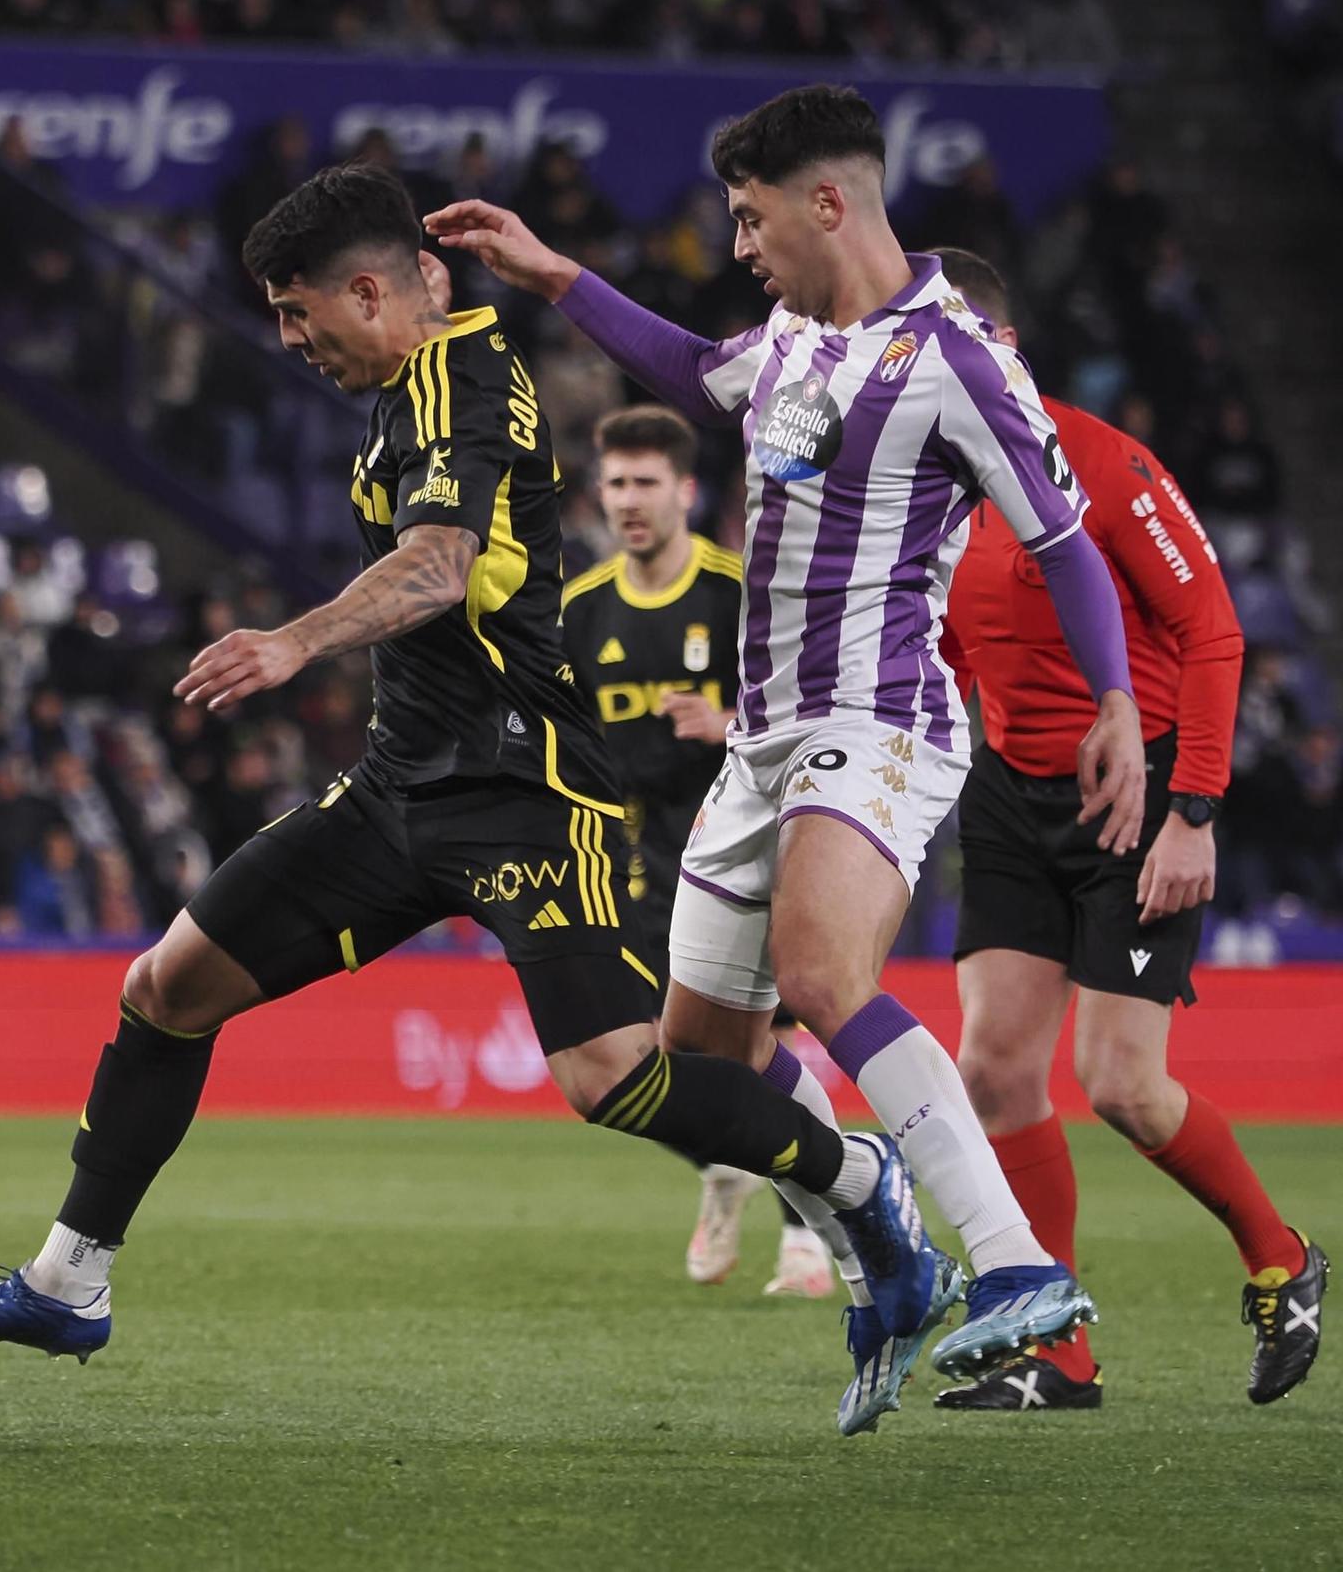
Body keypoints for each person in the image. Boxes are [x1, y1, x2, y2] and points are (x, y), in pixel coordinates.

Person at [0, 162, 949, 1432]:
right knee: (164, 990)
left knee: (615, 1077)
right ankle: (68, 1283)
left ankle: (855, 1173)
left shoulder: (459, 382)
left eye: (299, 314)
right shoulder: (403, 387)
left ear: (370, 291)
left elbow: (439, 568)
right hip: (399, 789)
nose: (293, 342)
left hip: (523, 788)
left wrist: (293, 640)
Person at [427, 83, 1146, 1433]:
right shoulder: (793, 345)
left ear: (829, 201)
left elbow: (1059, 537)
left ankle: (1019, 1269)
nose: (741, 246)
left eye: (753, 220)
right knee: (697, 1071)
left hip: (879, 721)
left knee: (824, 974)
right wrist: (555, 273)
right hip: (759, 747)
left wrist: (1114, 696)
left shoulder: (959, 355)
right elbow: (694, 369)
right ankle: (877, 1215)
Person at [927, 247, 1327, 1412]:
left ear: (990, 346)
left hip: (1134, 793)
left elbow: (1210, 632)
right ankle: (1055, 1352)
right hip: (1006, 790)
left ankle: (1278, 1257)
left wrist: (1192, 811)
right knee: (993, 1069)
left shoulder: (1102, 464)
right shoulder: (932, 484)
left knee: (1120, 1085)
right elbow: (951, 646)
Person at [560, 403, 829, 1298]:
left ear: (685, 489)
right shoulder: (579, 611)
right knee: (636, 1063)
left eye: (646, 483)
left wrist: (730, 725)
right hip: (630, 867)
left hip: (741, 852)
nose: (629, 501)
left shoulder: (735, 594)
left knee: (762, 1043)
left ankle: (807, 1239)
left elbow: (813, 712)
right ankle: (722, 1169)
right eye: (615, 484)